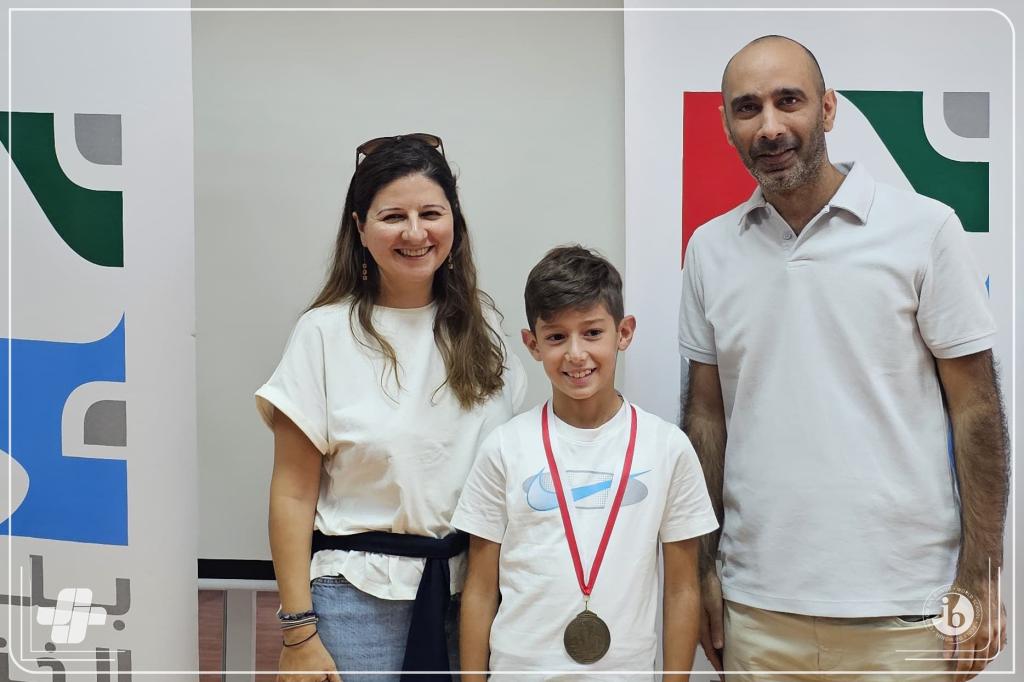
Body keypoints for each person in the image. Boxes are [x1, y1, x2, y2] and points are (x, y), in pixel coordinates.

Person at [678, 35, 1009, 681]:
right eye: (748, 108)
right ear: (726, 125)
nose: (770, 127)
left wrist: (982, 575)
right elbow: (706, 418)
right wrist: (702, 569)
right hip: (757, 612)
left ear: (827, 109)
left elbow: (977, 409)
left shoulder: (925, 229)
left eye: (789, 101)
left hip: (908, 612)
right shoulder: (708, 250)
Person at [255, 134, 527, 682]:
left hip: (473, 597)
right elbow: (292, 492)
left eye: (431, 213)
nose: (415, 233)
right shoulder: (323, 334)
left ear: (455, 223)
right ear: (360, 228)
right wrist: (298, 631)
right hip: (357, 604)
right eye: (393, 216)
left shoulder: (486, 331)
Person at [454, 245, 718, 680]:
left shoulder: (667, 448)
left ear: (624, 333)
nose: (576, 354)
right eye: (557, 337)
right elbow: (480, 590)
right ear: (532, 344)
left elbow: (682, 589)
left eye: (592, 332)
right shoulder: (504, 447)